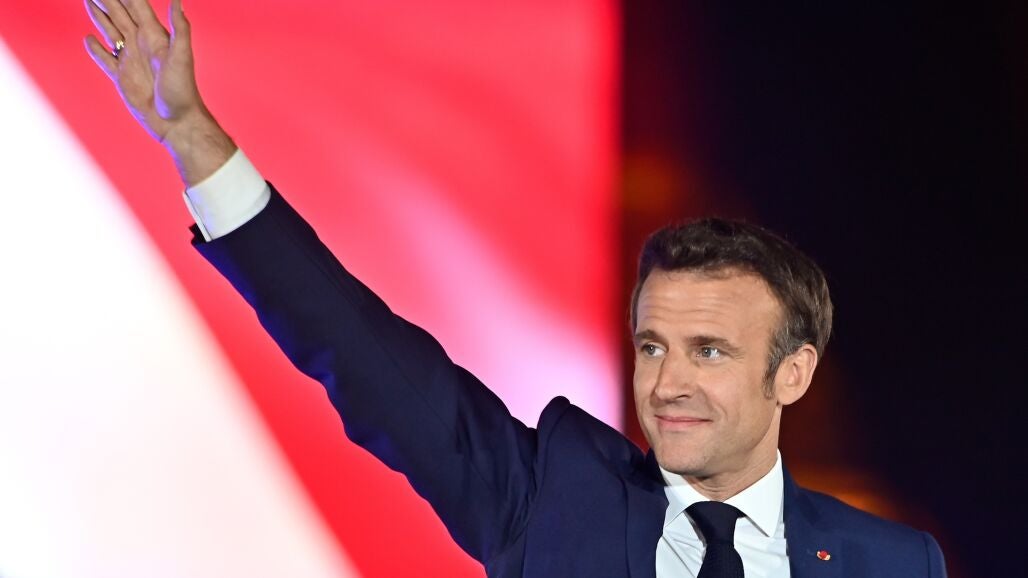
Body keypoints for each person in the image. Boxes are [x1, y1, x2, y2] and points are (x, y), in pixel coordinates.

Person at [83, 1, 947, 576]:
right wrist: (192, 138)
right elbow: (363, 354)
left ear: (792, 372)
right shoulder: (553, 499)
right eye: (652, 346)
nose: (667, 383)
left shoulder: (891, 563)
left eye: (709, 352)